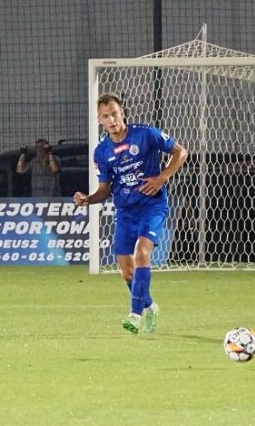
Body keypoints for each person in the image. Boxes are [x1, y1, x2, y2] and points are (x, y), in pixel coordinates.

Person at [73, 93, 188, 335]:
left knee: (142, 253)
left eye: (114, 113)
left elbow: (181, 152)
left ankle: (135, 315)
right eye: (106, 116)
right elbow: (104, 190)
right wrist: (88, 199)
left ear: (122, 112)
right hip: (125, 212)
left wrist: (162, 177)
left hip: (152, 206)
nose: (112, 119)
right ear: (100, 120)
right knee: (126, 271)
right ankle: (149, 306)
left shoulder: (145, 134)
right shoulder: (102, 152)